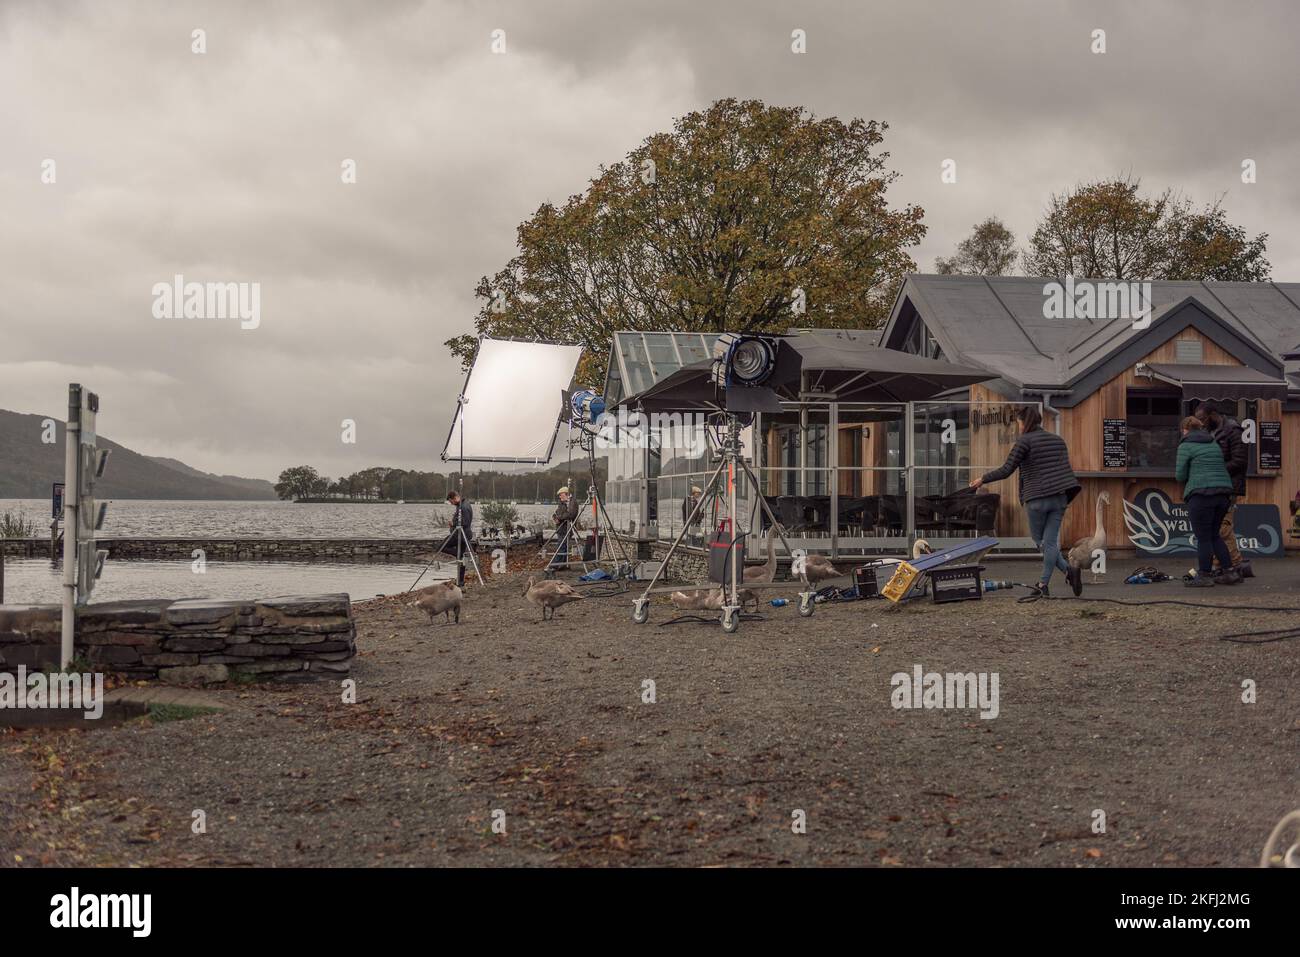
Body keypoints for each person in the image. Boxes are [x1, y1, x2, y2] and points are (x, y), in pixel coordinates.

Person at [970, 405, 1082, 598]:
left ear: (1024, 422)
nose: (1018, 426)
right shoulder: (1057, 440)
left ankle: (1043, 584)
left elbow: (1007, 470)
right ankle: (1068, 572)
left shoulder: (1024, 441)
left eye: (1019, 423)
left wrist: (983, 479)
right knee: (1050, 543)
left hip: (1037, 499)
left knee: (1043, 543)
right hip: (1060, 498)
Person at [1175, 416, 1240, 586]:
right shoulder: (1213, 443)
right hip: (1223, 494)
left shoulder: (1185, 445)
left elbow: (1180, 475)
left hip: (1201, 495)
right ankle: (1229, 572)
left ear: (1185, 430)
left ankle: (1204, 575)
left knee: (1203, 537)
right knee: (1214, 535)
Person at [1194, 401, 1252, 578]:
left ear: (1212, 415)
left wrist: (1215, 470)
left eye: (1203, 419)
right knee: (1218, 528)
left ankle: (1235, 564)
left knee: (1222, 528)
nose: (1201, 424)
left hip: (1229, 487)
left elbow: (1240, 460)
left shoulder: (1232, 430)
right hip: (1215, 486)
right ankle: (1227, 564)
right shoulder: (1210, 432)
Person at [444, 491, 474, 586]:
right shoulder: (463, 505)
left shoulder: (463, 507)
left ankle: (459, 556)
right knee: (461, 558)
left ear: (455, 498)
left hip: (461, 534)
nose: (451, 504)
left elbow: (464, 522)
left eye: (451, 501)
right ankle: (460, 582)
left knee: (441, 547)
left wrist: (453, 524)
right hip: (462, 534)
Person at [550, 486, 579, 569]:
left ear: (566, 494)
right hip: (560, 528)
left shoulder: (573, 502)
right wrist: (555, 518)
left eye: (560, 495)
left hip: (567, 528)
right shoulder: (562, 503)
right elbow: (556, 513)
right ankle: (562, 565)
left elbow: (571, 514)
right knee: (563, 546)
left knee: (561, 547)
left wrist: (559, 518)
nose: (559, 497)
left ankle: (553, 566)